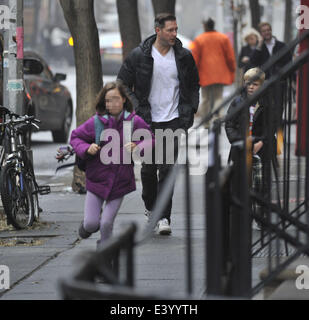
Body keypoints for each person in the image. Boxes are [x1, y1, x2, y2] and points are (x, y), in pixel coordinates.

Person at [117, 13, 199, 235]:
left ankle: (164, 216)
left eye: (175, 29)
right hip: (148, 121)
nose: (174, 34)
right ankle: (151, 208)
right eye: (170, 30)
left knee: (167, 170)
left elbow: (193, 86)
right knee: (148, 170)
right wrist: (135, 107)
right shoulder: (138, 56)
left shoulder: (183, 56)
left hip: (173, 120)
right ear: (158, 30)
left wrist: (189, 112)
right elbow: (122, 83)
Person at [70, 81, 154, 249]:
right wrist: (87, 148)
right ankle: (88, 227)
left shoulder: (132, 122)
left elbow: (151, 139)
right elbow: (75, 137)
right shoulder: (97, 123)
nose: (111, 104)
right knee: (91, 224)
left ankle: (104, 255)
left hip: (120, 182)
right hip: (96, 181)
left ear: (123, 99)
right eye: (108, 100)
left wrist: (138, 146)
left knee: (107, 224)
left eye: (115, 99)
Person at [225, 67, 275, 230]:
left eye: (255, 84)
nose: (251, 87)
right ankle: (241, 217)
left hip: (261, 147)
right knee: (240, 183)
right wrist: (238, 141)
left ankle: (262, 216)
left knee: (262, 184)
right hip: (241, 146)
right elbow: (229, 124)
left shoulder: (268, 103)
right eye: (248, 84)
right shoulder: (238, 102)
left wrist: (262, 142)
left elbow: (272, 126)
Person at [191, 18, 236, 128]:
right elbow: (230, 56)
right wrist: (232, 69)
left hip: (204, 73)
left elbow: (194, 58)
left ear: (205, 26)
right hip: (220, 73)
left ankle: (205, 121)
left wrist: (192, 73)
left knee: (205, 98)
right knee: (218, 97)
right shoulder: (223, 38)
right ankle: (217, 117)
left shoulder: (199, 39)